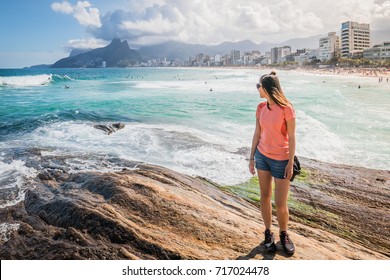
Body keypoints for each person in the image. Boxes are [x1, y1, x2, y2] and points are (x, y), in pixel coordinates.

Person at [249, 71, 296, 256]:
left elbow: (292, 137)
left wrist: (290, 163)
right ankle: (268, 233)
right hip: (262, 157)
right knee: (264, 196)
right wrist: (252, 157)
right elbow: (257, 134)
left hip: (281, 159)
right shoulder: (261, 107)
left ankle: (284, 234)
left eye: (258, 85)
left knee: (281, 203)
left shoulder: (287, 109)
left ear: (267, 88)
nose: (257, 89)